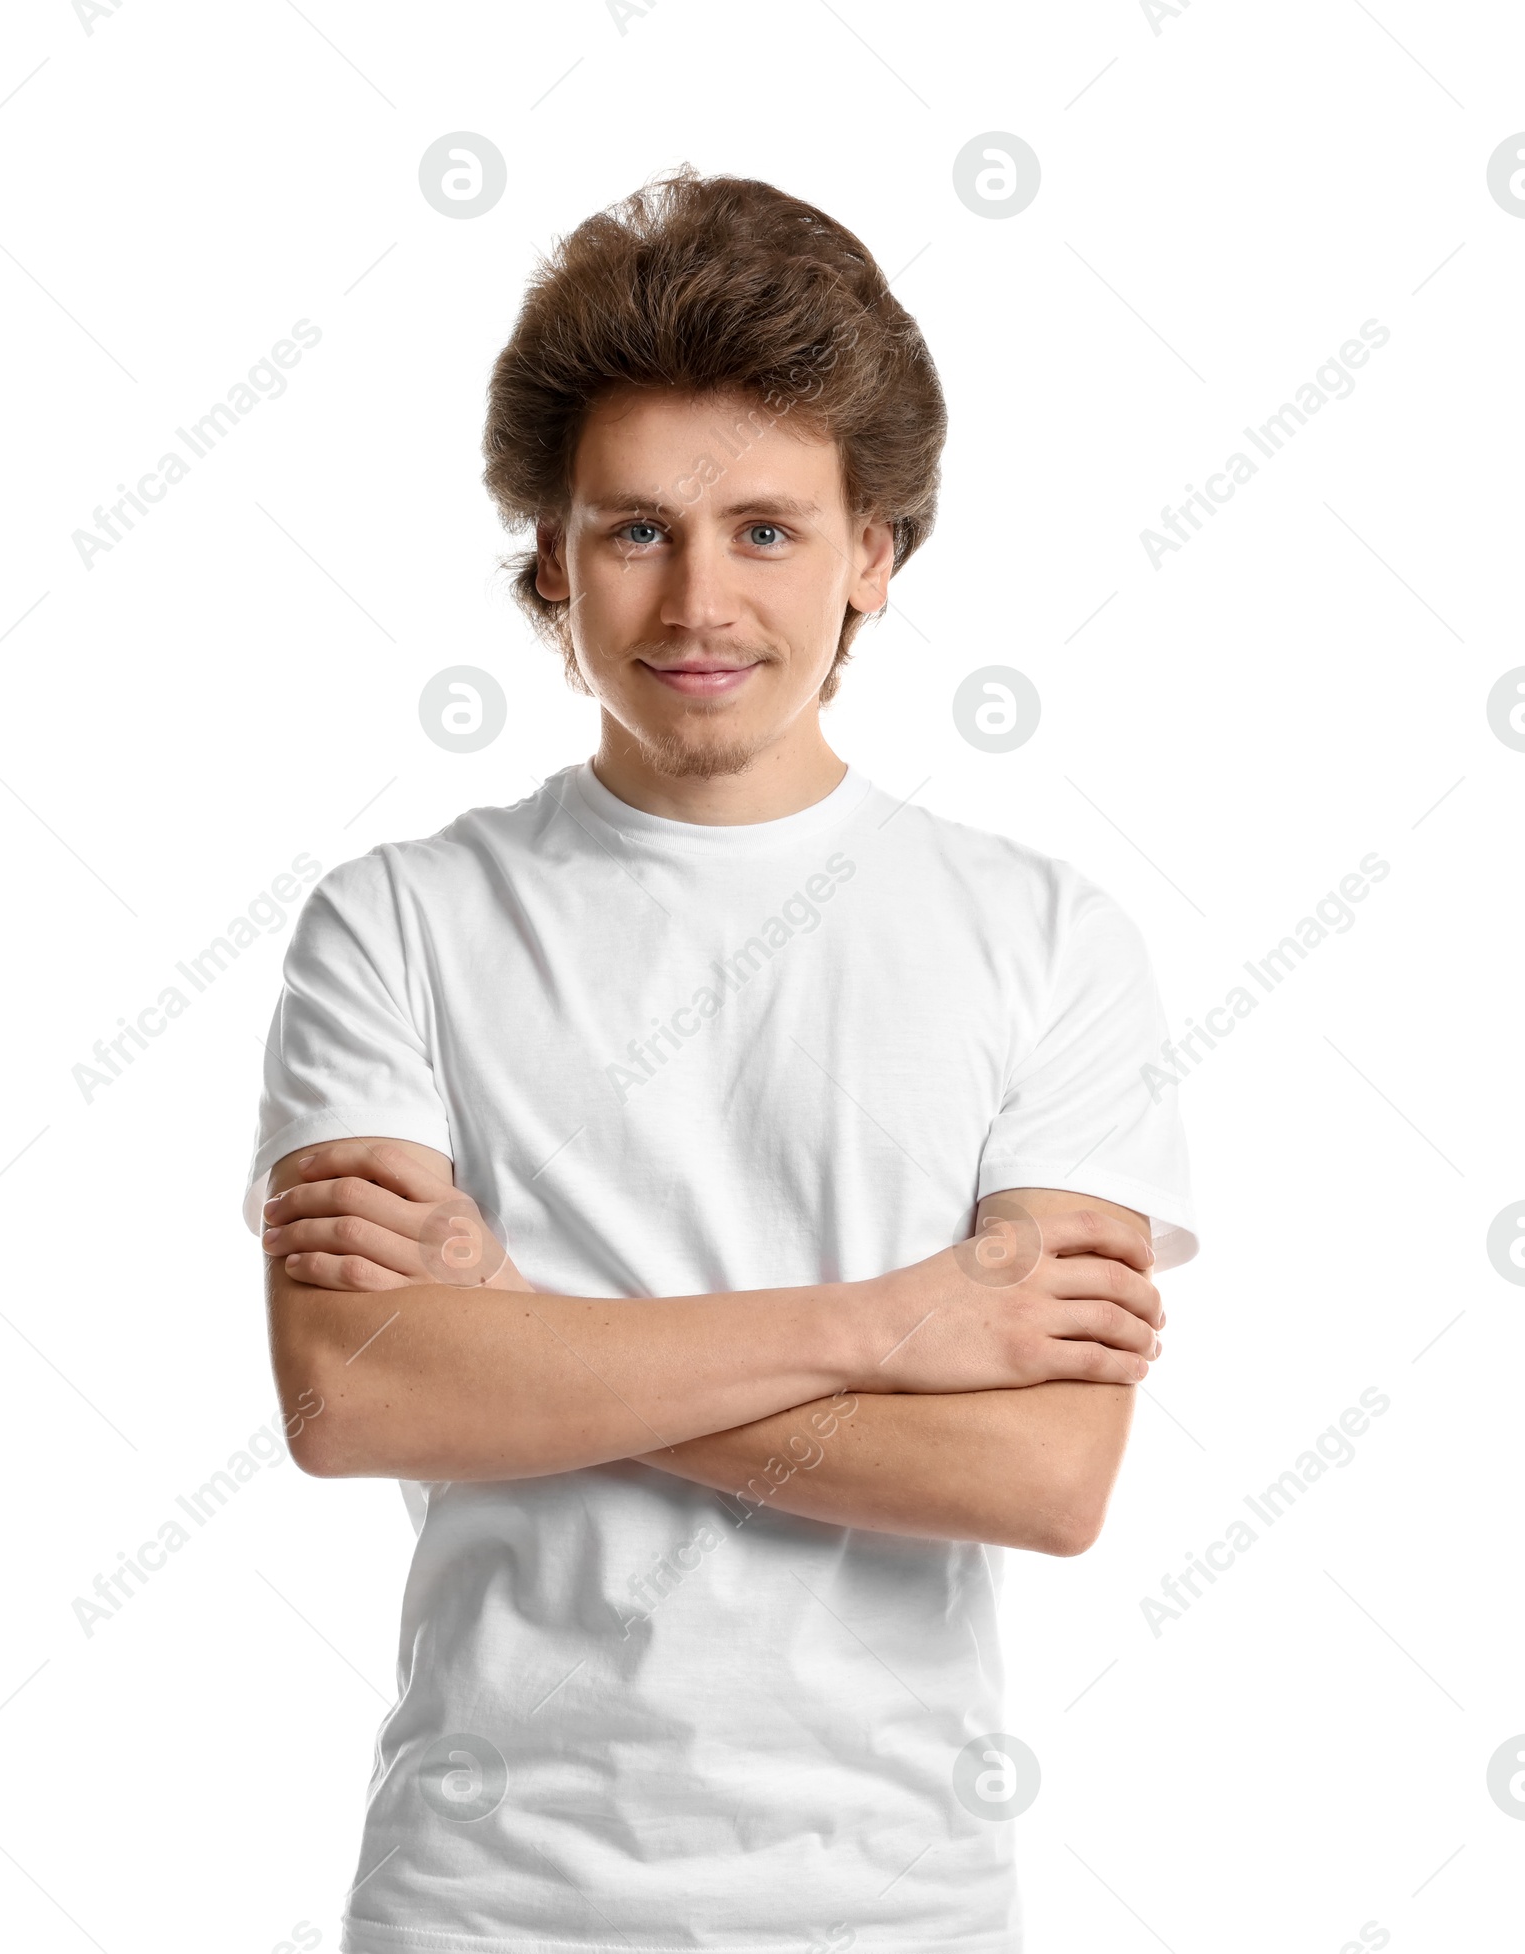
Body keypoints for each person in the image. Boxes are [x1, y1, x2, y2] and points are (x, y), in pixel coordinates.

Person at [246, 168, 1199, 1954]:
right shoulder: (395, 921)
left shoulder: (1047, 938)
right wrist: (899, 1322)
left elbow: (1044, 1473)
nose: (700, 599)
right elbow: (356, 1397)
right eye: (636, 530)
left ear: (876, 557)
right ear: (551, 557)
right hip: (484, 1902)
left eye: (768, 528)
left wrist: (523, 1332)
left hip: (893, 1907)